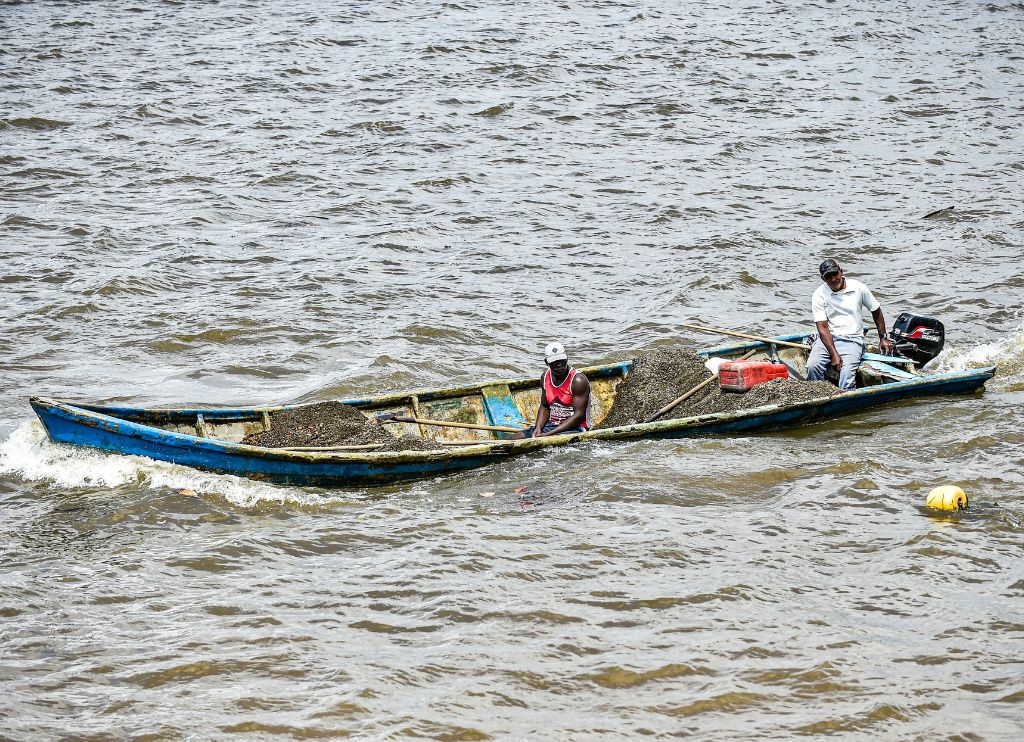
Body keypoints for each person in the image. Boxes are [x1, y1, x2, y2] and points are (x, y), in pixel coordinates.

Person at [807, 259, 895, 390]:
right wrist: (834, 354)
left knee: (847, 374)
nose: (833, 279)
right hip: (828, 339)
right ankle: (817, 394)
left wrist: (883, 337)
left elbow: (876, 310)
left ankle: (844, 400)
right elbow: (822, 328)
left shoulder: (858, 287)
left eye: (835, 274)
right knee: (812, 366)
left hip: (852, 339)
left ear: (841, 272)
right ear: (823, 279)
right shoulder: (819, 294)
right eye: (828, 277)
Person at [512, 342, 592, 438]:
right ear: (547, 362)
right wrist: (538, 428)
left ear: (567, 358)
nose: (559, 365)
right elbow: (545, 406)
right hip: (552, 426)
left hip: (575, 428)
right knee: (512, 439)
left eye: (562, 361)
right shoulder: (545, 377)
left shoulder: (578, 380)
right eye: (555, 362)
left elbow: (579, 416)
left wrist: (550, 434)